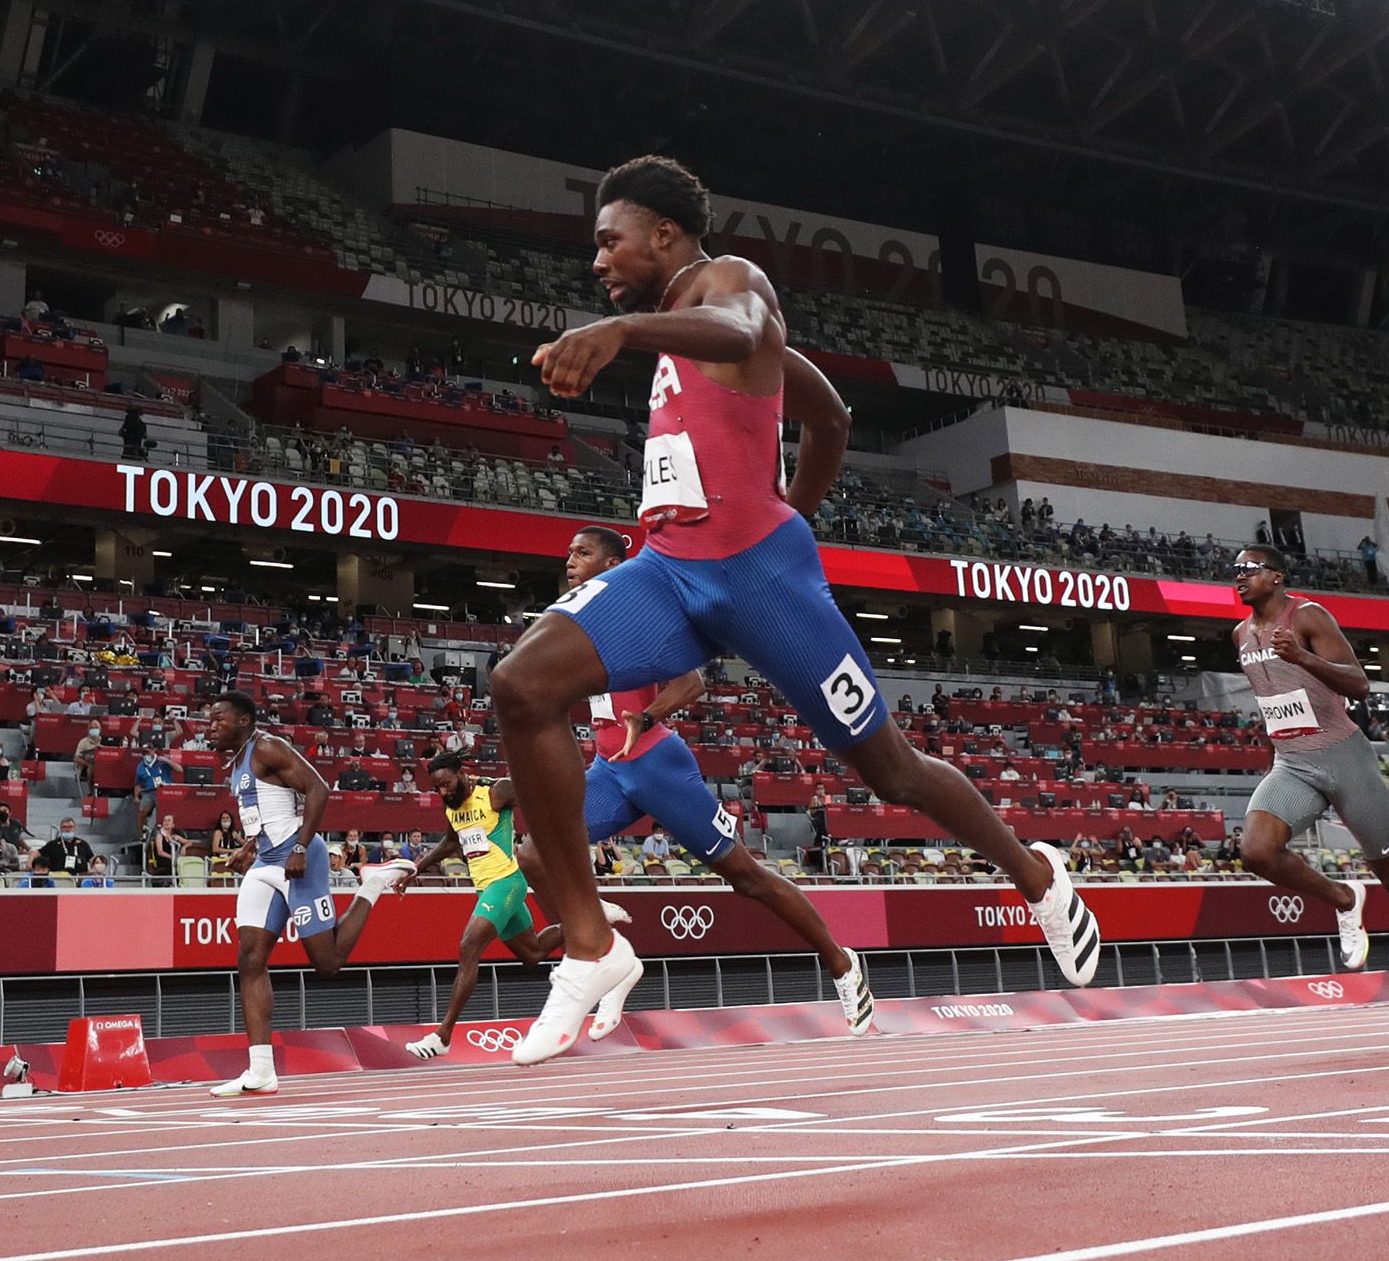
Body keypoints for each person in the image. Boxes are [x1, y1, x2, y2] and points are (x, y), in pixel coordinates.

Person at [490, 156, 1099, 1064]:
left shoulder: (731, 285)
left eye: (609, 240)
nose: (597, 260)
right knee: (521, 684)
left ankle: (1035, 871)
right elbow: (832, 418)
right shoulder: (684, 334)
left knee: (891, 770)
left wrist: (782, 522)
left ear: (664, 233)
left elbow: (751, 337)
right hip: (669, 569)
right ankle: (591, 945)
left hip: (760, 579)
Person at [544, 526, 873, 1034]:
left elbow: (691, 680)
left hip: (657, 766)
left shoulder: (636, 616)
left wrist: (646, 717)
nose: (570, 560)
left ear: (610, 566)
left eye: (582, 553)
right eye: (568, 552)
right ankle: (604, 952)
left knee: (747, 878)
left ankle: (841, 962)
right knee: (534, 850)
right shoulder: (572, 619)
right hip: (610, 769)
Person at [1229, 545, 1389, 1044]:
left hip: (1344, 760)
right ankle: (1344, 898)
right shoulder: (1240, 634)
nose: (1238, 577)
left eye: (1249, 570)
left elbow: (1360, 686)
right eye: (1235, 571)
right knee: (1255, 851)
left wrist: (1300, 655)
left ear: (1277, 576)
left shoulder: (1309, 616)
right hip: (1292, 763)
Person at [204, 692, 413, 1098]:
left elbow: (318, 789)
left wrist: (300, 847)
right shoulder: (237, 761)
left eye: (217, 720)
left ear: (244, 720)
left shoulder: (267, 746)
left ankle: (371, 886)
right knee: (250, 959)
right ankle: (260, 1069)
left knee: (328, 963)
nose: (210, 727)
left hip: (299, 859)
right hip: (265, 863)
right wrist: (248, 848)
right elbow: (266, 814)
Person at [404, 750, 597, 1058]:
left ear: (461, 773)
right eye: (437, 787)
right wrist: (418, 867)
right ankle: (591, 919)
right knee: (532, 952)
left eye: (447, 784)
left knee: (469, 946)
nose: (443, 791)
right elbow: (452, 841)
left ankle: (442, 1036)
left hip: (507, 882)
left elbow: (537, 798)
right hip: (485, 889)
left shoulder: (495, 791)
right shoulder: (452, 806)